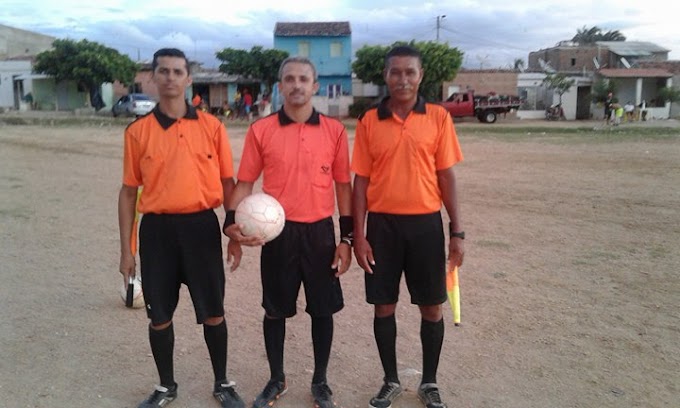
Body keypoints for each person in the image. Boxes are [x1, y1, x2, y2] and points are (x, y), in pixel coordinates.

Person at [117, 48, 245, 408]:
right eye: (163, 71)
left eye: (177, 71)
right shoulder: (138, 132)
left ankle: (222, 382)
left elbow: (228, 183)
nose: (170, 77)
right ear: (153, 78)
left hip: (202, 228)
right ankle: (165, 386)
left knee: (213, 311)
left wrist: (231, 228)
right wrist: (126, 250)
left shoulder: (212, 127)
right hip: (157, 232)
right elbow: (128, 193)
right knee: (159, 316)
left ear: (189, 79)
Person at [224, 56, 352, 408]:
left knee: (322, 310)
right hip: (277, 235)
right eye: (289, 79)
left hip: (321, 234)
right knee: (275, 310)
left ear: (315, 86)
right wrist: (231, 227)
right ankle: (276, 378)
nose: (296, 85)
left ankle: (320, 382)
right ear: (280, 87)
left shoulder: (334, 131)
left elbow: (343, 187)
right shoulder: (261, 130)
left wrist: (347, 239)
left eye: (303, 79)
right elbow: (245, 182)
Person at [351, 45, 464, 408]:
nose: (402, 79)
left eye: (410, 72)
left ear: (421, 75)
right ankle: (390, 380)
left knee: (432, 307)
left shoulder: (438, 118)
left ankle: (429, 383)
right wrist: (359, 235)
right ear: (385, 76)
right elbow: (361, 183)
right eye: (395, 72)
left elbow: (446, 176)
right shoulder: (370, 121)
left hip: (426, 227)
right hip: (382, 229)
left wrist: (456, 232)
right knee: (383, 306)